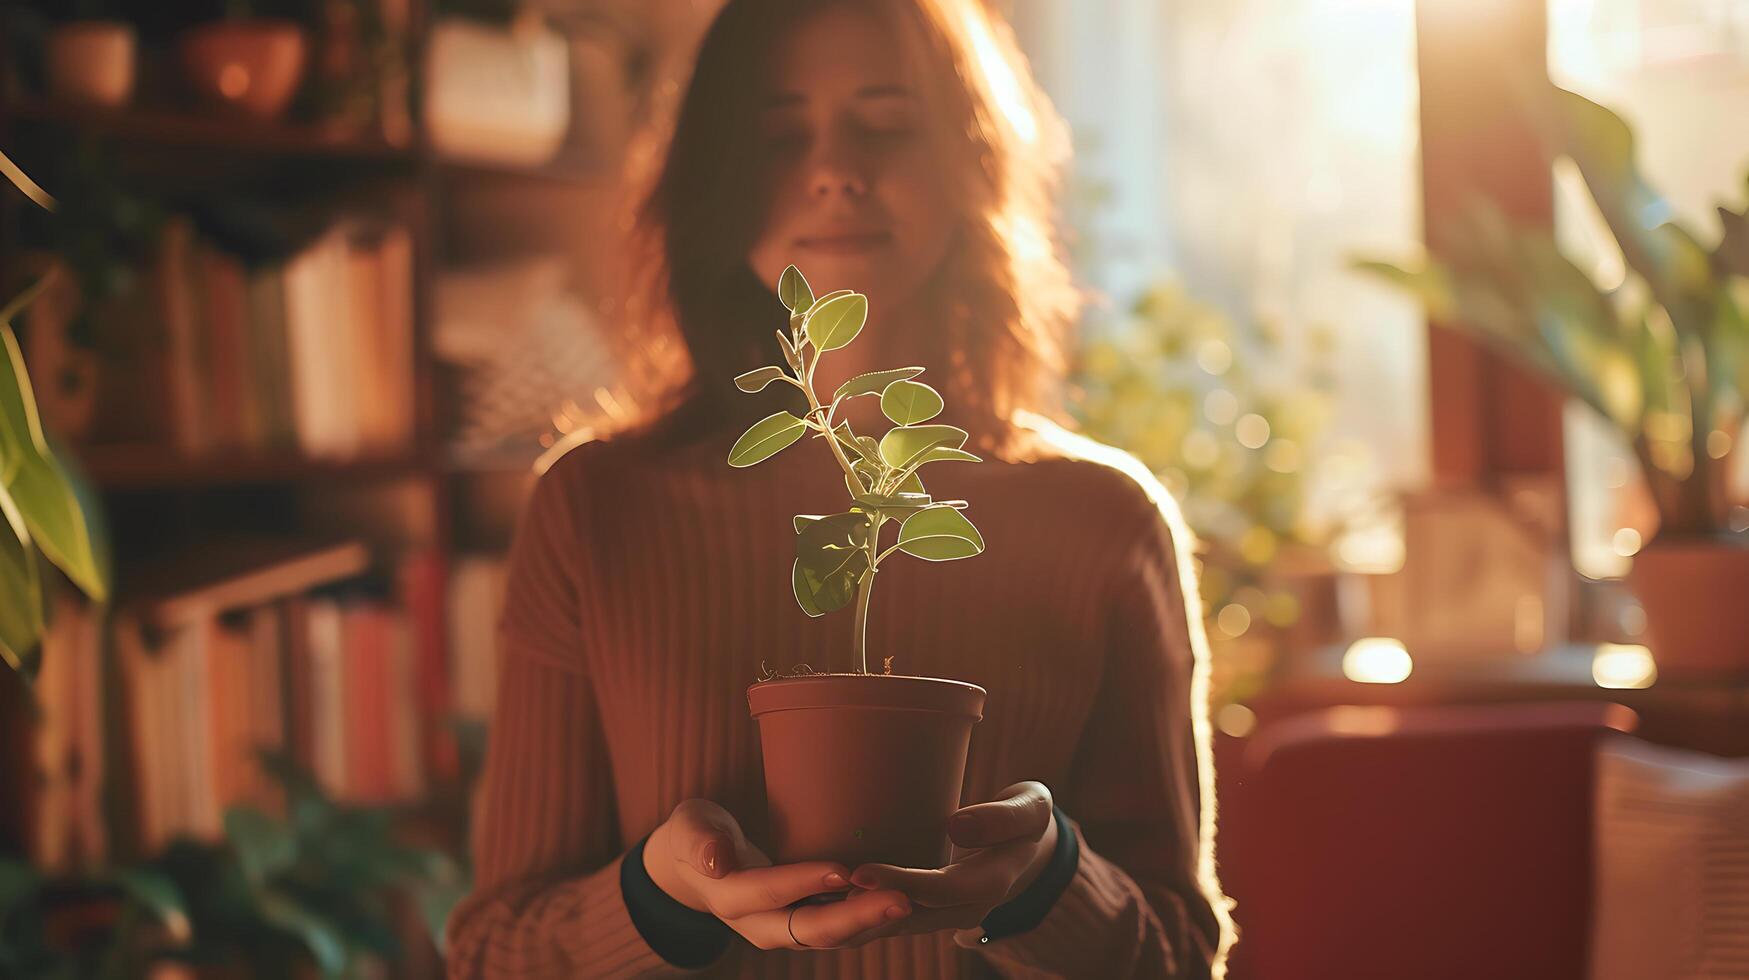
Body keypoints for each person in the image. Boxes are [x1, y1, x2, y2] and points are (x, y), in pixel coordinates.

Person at [444, 0, 1235, 976]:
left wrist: (1048, 880)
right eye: (779, 134)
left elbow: (1178, 956)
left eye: (888, 121)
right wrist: (657, 895)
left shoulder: (1106, 522)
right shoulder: (595, 509)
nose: (835, 168)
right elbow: (492, 952)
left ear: (971, 157)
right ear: (714, 178)